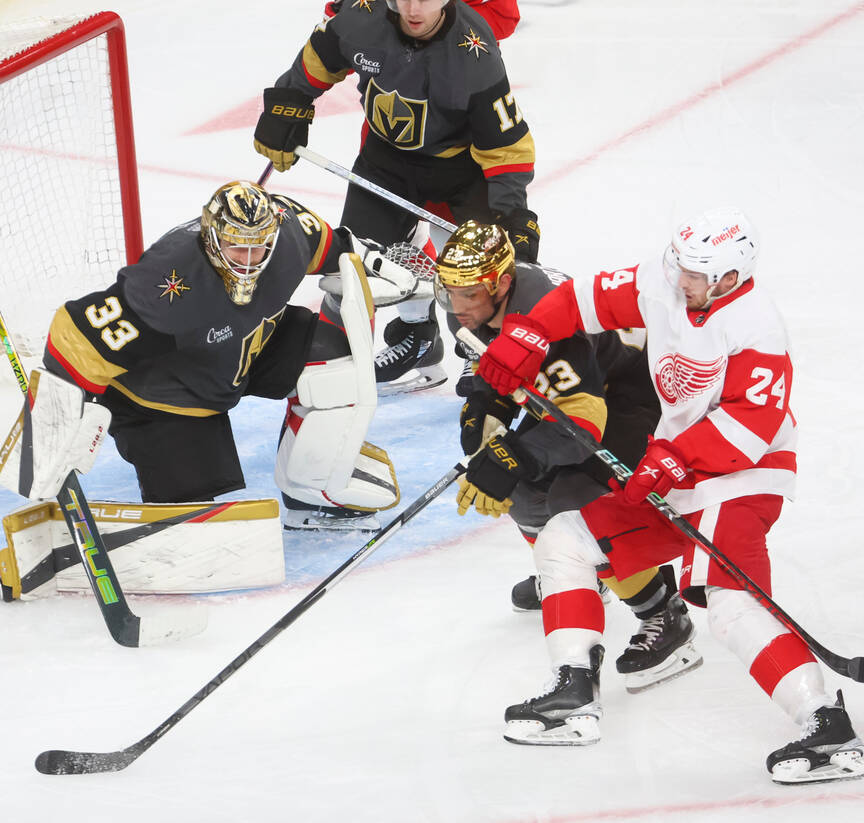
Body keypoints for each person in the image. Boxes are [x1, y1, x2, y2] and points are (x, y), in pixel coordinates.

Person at [476, 208, 864, 783]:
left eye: (697, 273)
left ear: (730, 278)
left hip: (742, 478)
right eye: (680, 265)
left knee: (730, 605)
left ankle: (828, 726)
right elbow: (579, 299)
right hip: (680, 474)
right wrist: (526, 335)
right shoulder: (665, 283)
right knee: (564, 541)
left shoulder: (758, 326)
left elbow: (752, 426)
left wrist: (676, 456)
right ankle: (573, 695)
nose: (682, 280)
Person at [0, 180, 419, 532]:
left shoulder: (289, 234)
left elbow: (338, 246)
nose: (250, 261)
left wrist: (373, 264)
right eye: (237, 249)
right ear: (213, 237)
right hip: (164, 395)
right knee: (190, 519)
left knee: (334, 363)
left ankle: (313, 488)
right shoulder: (169, 282)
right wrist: (51, 431)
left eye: (259, 248)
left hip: (247, 348)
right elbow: (77, 336)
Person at [437, 221, 701, 692]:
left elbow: (583, 423)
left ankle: (665, 614)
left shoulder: (540, 316)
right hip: (576, 394)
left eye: (470, 295)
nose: (458, 308)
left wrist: (510, 455)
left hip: (629, 397)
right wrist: (485, 410)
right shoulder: (479, 303)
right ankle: (576, 574)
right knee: (517, 490)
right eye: (451, 292)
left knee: (578, 503)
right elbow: (499, 369)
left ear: (500, 283)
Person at [253, 0, 538, 396]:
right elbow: (319, 57)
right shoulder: (360, 17)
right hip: (385, 161)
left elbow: (506, 147)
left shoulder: (474, 50)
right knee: (350, 268)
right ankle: (407, 339)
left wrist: (512, 214)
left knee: (478, 270)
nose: (413, 9)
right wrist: (289, 102)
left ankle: (484, 351)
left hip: (462, 170)